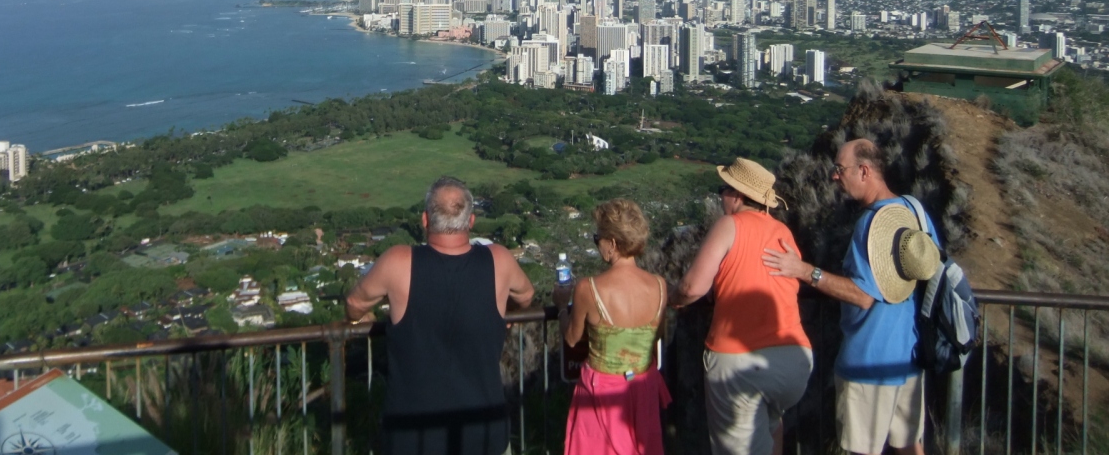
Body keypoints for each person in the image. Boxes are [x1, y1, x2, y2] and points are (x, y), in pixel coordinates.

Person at [762, 138, 941, 455]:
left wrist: (805, 271)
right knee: (910, 446)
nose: (834, 176)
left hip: (868, 360)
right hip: (909, 358)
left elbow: (862, 296)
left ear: (864, 171)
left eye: (839, 169)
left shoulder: (871, 226)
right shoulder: (916, 212)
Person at [345, 176, 534, 455]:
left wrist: (368, 318)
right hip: (484, 431)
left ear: (425, 220)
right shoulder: (499, 260)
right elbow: (526, 296)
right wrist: (499, 315)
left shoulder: (398, 262)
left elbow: (353, 304)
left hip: (413, 436)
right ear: (471, 221)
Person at [670, 158, 813, 455]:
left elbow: (692, 287)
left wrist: (671, 301)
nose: (721, 196)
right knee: (771, 427)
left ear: (736, 196)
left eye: (724, 189)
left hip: (740, 363)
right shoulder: (782, 232)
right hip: (793, 360)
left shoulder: (729, 225)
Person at [556, 199, 671, 455]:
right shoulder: (660, 286)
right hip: (643, 388)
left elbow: (572, 338)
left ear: (613, 243)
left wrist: (563, 307)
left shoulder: (589, 288)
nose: (598, 245)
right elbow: (658, 335)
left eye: (598, 238)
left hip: (601, 392)